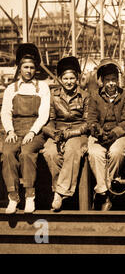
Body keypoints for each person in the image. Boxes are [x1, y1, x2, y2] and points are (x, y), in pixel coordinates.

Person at [1, 43, 51, 214]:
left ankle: (30, 195)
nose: (29, 70)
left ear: (35, 68)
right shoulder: (11, 89)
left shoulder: (42, 87)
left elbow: (43, 114)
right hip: (16, 129)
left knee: (27, 152)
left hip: (35, 130)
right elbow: (5, 112)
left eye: (31, 67)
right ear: (19, 68)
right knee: (7, 153)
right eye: (25, 67)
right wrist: (10, 131)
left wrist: (32, 131)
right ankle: (13, 197)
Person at [41, 56, 89, 211]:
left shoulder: (85, 96)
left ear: (77, 79)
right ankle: (60, 191)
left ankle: (59, 193)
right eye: (66, 78)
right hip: (58, 131)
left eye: (72, 78)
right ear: (60, 79)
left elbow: (88, 122)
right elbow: (50, 120)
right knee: (50, 152)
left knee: (72, 151)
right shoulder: (53, 96)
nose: (69, 82)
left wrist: (72, 133)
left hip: (77, 131)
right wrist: (54, 133)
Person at [87, 59, 125, 211]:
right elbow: (91, 120)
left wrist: (114, 133)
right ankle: (105, 193)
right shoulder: (94, 97)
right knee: (95, 153)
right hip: (99, 135)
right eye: (107, 80)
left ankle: (101, 191)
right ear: (102, 81)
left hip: (119, 135)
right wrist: (98, 132)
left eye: (114, 79)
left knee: (116, 152)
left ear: (117, 80)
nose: (111, 83)